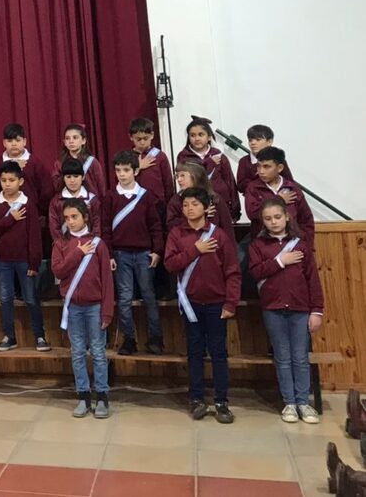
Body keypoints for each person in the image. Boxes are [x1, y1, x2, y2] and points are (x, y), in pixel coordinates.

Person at [164, 187, 240, 424]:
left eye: (195, 204)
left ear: (206, 207)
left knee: (219, 353)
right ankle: (196, 399)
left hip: (217, 303)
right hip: (191, 304)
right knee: (194, 353)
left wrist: (230, 302)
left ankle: (221, 401)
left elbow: (233, 272)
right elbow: (171, 263)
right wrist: (195, 250)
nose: (189, 209)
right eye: (185, 205)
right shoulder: (177, 234)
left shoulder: (219, 235)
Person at [249, 196, 324, 424]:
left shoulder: (301, 244)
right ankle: (289, 403)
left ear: (287, 216)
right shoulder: (258, 245)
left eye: (277, 217)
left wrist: (317, 310)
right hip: (273, 308)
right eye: (268, 219)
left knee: (300, 357)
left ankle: (303, 402)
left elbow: (312, 280)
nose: (273, 222)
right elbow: (255, 272)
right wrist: (280, 261)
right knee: (282, 357)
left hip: (300, 309)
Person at [51, 199, 114, 419]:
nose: (70, 221)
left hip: (95, 306)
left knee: (98, 352)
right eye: (66, 218)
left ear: (85, 217)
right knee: (77, 352)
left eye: (74, 217)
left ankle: (102, 396)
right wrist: (78, 253)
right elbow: (58, 271)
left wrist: (107, 311)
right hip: (73, 306)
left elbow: (107, 279)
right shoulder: (60, 244)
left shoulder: (98, 244)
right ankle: (83, 396)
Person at [102, 150, 164, 355]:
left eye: (126, 170)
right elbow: (105, 228)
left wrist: (157, 250)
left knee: (148, 296)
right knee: (125, 298)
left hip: (144, 253)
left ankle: (156, 338)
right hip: (121, 254)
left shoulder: (146, 196)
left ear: (136, 171)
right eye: (118, 170)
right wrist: (109, 254)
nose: (122, 174)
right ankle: (129, 339)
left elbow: (155, 225)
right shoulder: (110, 197)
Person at [0, 161, 48, 352]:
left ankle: (40, 336)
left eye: (12, 180)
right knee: (6, 298)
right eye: (3, 180)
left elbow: (35, 236)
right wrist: (10, 219)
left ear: (20, 181)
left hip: (24, 260)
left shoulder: (28, 204)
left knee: (30, 298)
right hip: (3, 260)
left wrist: (34, 262)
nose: (7, 184)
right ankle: (9, 336)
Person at [244, 147, 314, 241]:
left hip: (292, 243)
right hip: (263, 245)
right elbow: (252, 214)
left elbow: (306, 220)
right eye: (258, 166)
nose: (261, 171)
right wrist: (278, 199)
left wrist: (307, 246)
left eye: (266, 166)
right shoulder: (253, 187)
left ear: (280, 168)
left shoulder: (292, 188)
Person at [177, 116, 239, 222]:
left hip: (220, 204)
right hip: (196, 207)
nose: (196, 138)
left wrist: (235, 209)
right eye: (192, 135)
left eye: (201, 134)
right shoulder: (184, 157)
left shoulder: (218, 155)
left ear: (209, 137)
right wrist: (207, 163)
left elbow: (230, 182)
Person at [0, 123, 52, 214]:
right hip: (5, 212)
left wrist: (39, 211)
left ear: (24, 141)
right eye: (10, 141)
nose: (14, 144)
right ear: (4, 143)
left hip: (30, 211)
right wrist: (12, 165)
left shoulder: (34, 162)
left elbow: (46, 190)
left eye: (17, 140)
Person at [128, 118, 175, 224]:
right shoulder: (127, 157)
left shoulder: (160, 156)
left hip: (158, 205)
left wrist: (169, 206)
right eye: (138, 139)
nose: (142, 142)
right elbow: (120, 180)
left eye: (146, 138)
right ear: (131, 137)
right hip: (134, 204)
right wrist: (138, 167)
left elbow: (168, 184)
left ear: (152, 135)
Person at [48, 158, 101, 242]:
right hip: (65, 248)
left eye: (76, 176)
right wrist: (63, 245)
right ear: (63, 178)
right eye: (68, 177)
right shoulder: (56, 201)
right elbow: (54, 228)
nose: (72, 180)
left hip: (89, 245)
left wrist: (92, 244)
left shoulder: (92, 200)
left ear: (83, 177)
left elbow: (96, 226)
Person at [236, 124, 293, 195]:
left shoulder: (277, 158)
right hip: (255, 200)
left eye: (258, 140)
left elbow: (289, 181)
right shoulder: (244, 161)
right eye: (250, 140)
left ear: (269, 142)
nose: (253, 143)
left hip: (278, 200)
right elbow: (240, 186)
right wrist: (258, 177)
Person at [53, 124, 106, 197]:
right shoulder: (59, 163)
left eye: (75, 137)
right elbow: (56, 186)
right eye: (67, 138)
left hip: (89, 203)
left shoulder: (92, 162)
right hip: (67, 203)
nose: (71, 141)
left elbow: (101, 187)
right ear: (64, 142)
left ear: (83, 140)